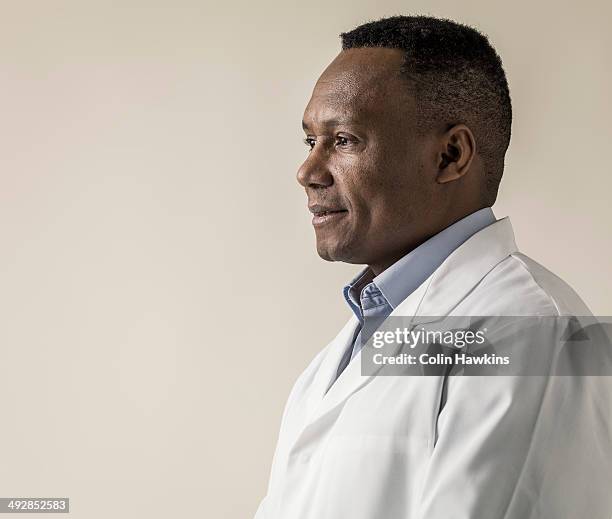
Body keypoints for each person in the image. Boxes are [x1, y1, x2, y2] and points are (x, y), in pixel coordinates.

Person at [254, 15, 611, 519]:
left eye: (345, 140)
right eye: (310, 140)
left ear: (450, 155)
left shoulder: (528, 331)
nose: (308, 172)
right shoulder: (347, 349)